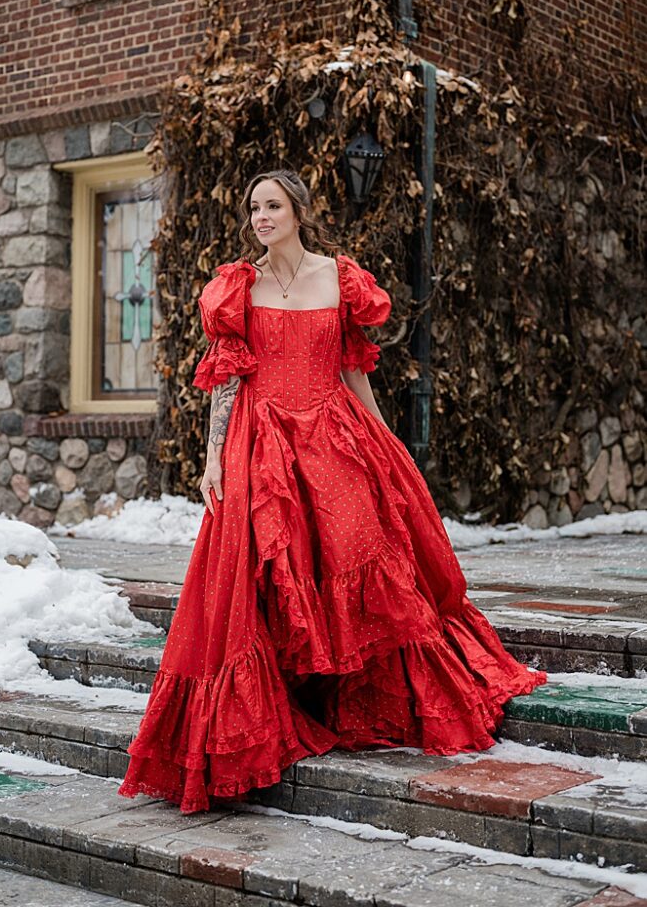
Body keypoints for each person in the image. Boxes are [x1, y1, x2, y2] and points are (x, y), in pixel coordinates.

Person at [118, 168, 546, 814]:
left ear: (297, 209)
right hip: (260, 443)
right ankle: (285, 709)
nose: (260, 217)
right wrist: (211, 461)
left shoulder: (339, 279)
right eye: (253, 206)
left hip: (332, 431)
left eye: (271, 205)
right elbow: (227, 383)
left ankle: (356, 697)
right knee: (263, 575)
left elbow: (352, 369)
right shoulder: (238, 286)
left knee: (357, 553)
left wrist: (381, 441)